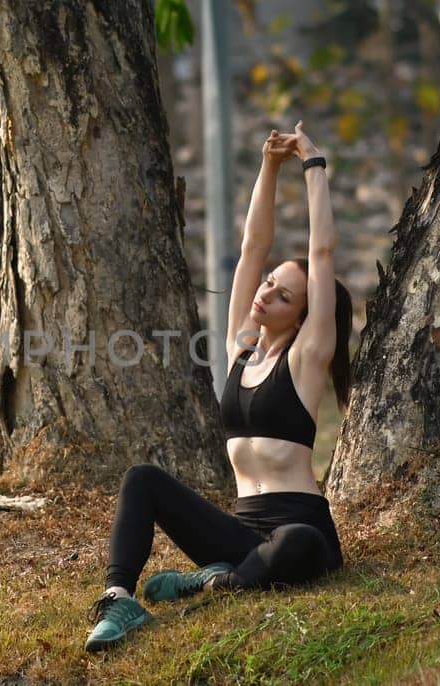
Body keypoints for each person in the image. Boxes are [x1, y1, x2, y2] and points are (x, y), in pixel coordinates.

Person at [84, 122, 355, 652]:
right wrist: (269, 165)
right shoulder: (242, 346)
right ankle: (118, 599)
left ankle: (214, 583)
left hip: (296, 531)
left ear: (303, 318)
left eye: (283, 297)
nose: (266, 293)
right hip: (240, 532)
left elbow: (322, 257)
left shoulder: (305, 359)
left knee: (301, 543)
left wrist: (313, 166)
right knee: (142, 479)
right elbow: (253, 245)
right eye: (269, 284)